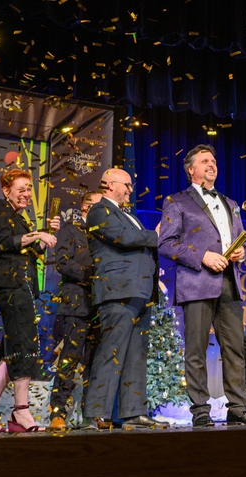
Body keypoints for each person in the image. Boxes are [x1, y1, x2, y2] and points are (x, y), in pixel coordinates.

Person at [158, 144, 246, 427]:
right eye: (205, 161)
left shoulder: (230, 203)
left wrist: (243, 252)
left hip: (229, 284)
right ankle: (200, 410)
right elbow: (165, 243)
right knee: (196, 349)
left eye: (214, 161)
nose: (211, 164)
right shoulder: (177, 201)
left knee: (234, 349)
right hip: (196, 283)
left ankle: (238, 407)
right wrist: (201, 255)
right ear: (191, 169)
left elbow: (241, 240)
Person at [0, 168, 60, 433]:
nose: (26, 193)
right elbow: (3, 242)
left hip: (21, 286)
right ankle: (21, 411)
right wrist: (37, 235)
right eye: (20, 188)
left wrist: (45, 234)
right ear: (6, 190)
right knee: (24, 342)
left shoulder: (20, 219)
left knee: (13, 346)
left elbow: (31, 250)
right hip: (7, 284)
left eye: (28, 189)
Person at [83, 168, 167, 429]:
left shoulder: (129, 215)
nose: (131, 189)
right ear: (108, 184)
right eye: (127, 185)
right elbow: (124, 238)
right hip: (118, 290)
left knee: (135, 355)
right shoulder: (99, 211)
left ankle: (133, 412)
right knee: (111, 352)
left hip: (141, 293)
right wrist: (157, 234)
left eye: (132, 185)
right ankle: (96, 414)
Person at [48, 192, 102, 430]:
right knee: (69, 361)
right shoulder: (70, 231)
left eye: (98, 206)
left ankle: (92, 413)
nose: (92, 209)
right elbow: (62, 262)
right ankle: (58, 413)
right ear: (82, 208)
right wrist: (91, 274)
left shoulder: (106, 234)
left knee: (96, 362)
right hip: (76, 304)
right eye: (89, 205)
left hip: (101, 307)